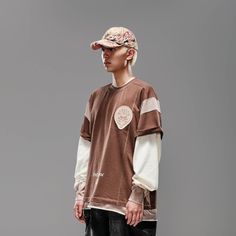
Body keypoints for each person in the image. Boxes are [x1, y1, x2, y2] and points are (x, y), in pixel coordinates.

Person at [73, 26, 164, 236]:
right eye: (103, 50)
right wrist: (81, 192)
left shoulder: (143, 93)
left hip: (126, 203)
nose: (105, 55)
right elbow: (85, 146)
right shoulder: (95, 97)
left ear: (130, 53)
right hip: (96, 199)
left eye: (112, 49)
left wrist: (138, 193)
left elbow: (149, 145)